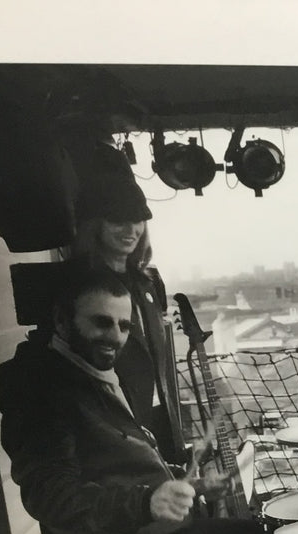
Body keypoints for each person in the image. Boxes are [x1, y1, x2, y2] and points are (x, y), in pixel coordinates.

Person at [0, 265, 298, 534]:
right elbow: (51, 494)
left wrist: (190, 485)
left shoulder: (92, 369)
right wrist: (146, 502)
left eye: (124, 325)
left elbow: (118, 465)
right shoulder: (41, 388)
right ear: (61, 320)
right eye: (101, 322)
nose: (116, 337)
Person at [66, 147, 183, 464]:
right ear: (95, 224)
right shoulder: (80, 288)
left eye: (138, 220)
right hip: (115, 432)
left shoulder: (146, 283)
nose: (131, 230)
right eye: (118, 219)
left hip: (159, 420)